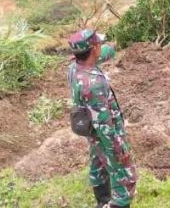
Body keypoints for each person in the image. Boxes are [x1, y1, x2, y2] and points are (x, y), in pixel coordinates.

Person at [67, 29, 137, 208]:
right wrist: (119, 149)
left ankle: (102, 201)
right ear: (94, 48)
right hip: (105, 134)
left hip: (92, 132)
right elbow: (104, 125)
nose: (101, 46)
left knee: (98, 167)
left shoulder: (74, 68)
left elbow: (106, 52)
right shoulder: (94, 84)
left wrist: (114, 46)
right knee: (125, 181)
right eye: (99, 44)